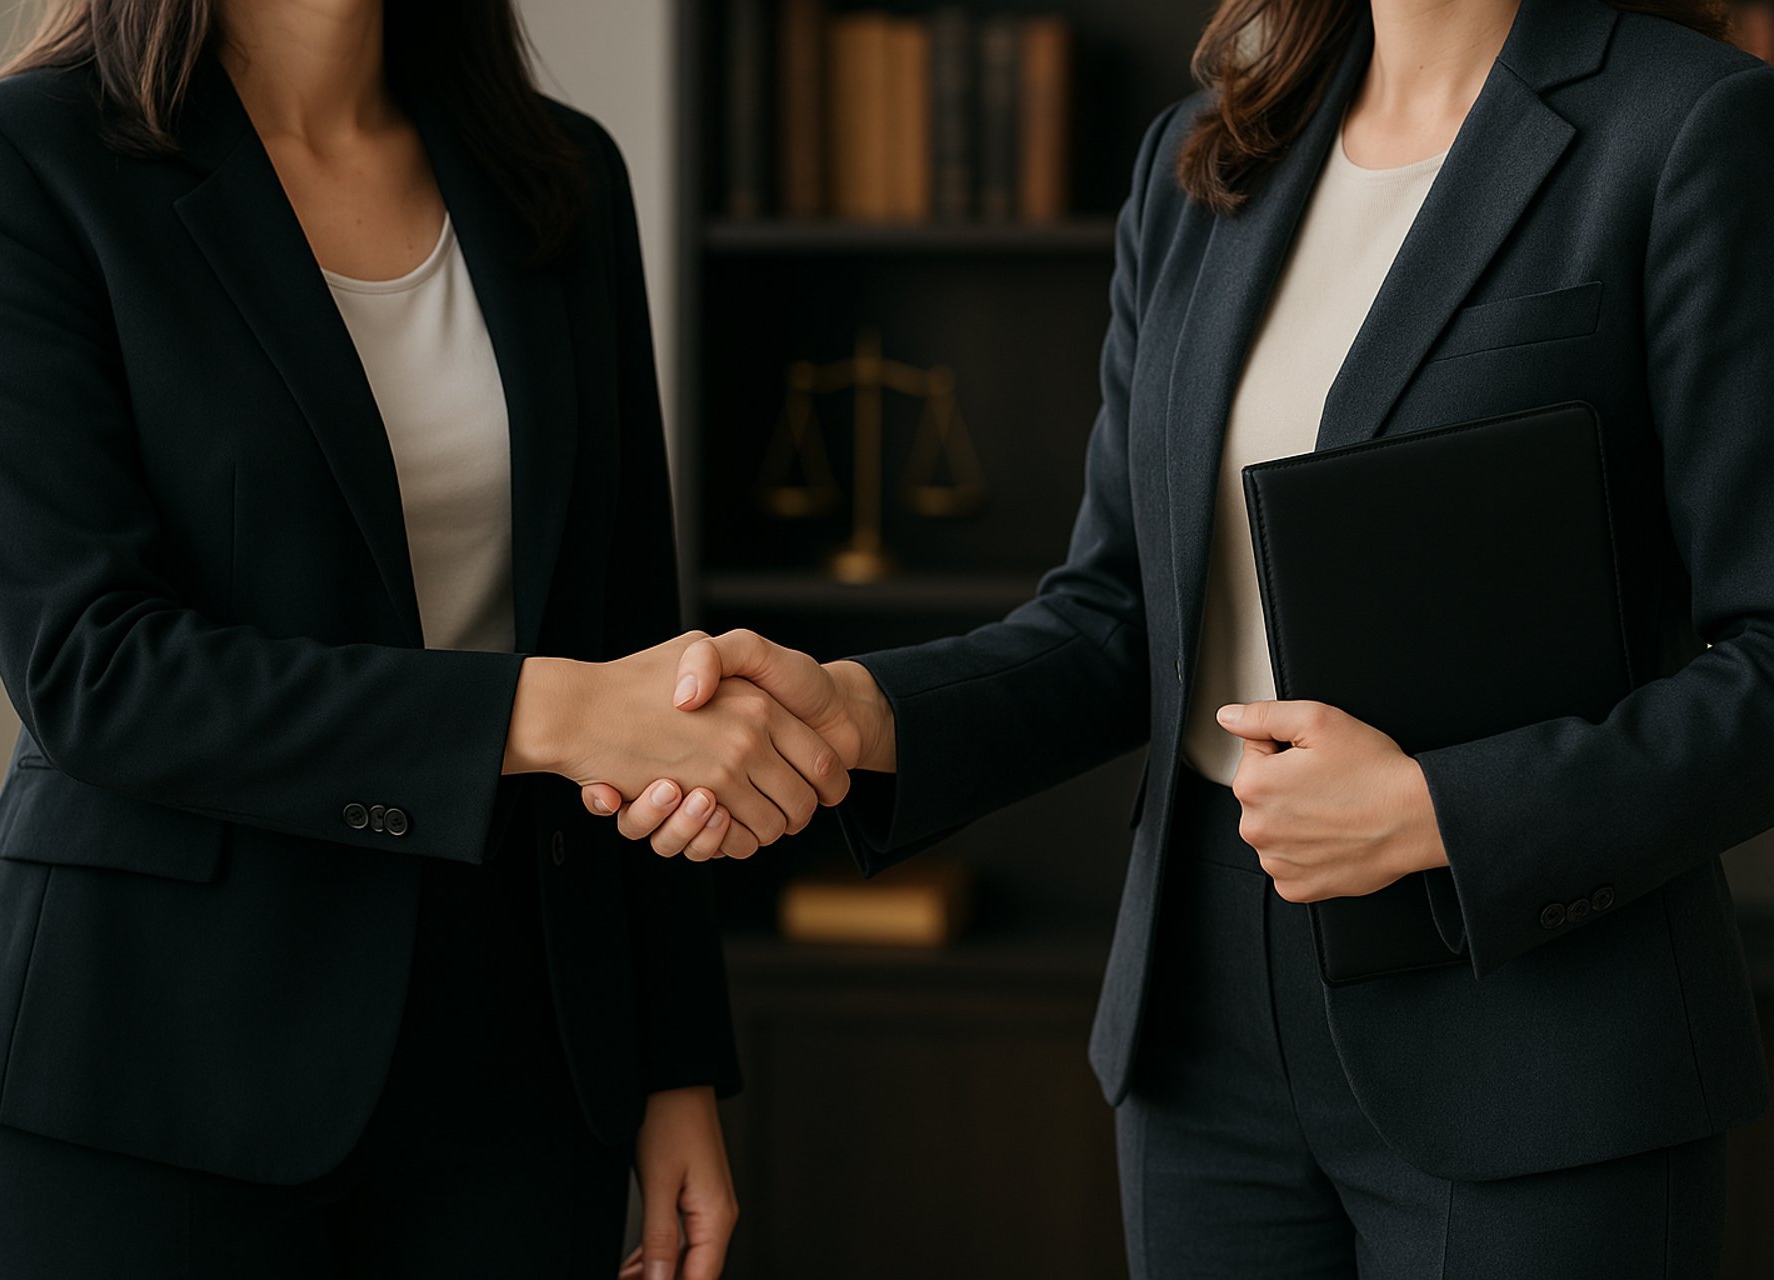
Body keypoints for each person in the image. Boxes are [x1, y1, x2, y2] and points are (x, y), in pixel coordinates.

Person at [590, 0, 1774, 1271]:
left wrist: (1442, 808)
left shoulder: (1692, 125)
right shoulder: (1206, 155)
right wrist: (862, 712)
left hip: (1539, 1031)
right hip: (1202, 1033)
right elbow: (1118, 615)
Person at [0, 1, 851, 1276]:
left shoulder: (561, 176)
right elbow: (96, 668)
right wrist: (546, 710)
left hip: (518, 1053)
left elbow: (635, 634)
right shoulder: (5, 166)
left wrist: (676, 1063)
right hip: (148, 1064)